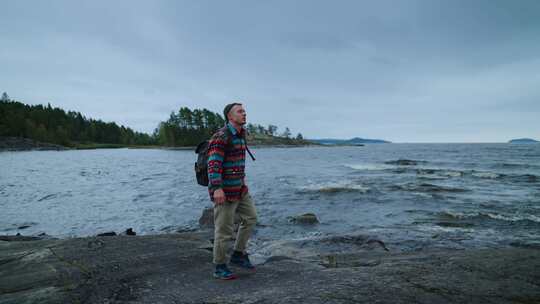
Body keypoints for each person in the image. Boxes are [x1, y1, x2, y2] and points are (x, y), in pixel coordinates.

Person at [207, 102, 258, 280]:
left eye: (244, 110)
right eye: (240, 111)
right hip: (225, 191)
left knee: (251, 218)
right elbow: (213, 165)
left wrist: (243, 182)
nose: (244, 114)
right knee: (224, 230)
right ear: (230, 116)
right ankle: (219, 266)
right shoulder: (221, 136)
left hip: (240, 189)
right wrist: (217, 188)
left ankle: (238, 254)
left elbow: (237, 162)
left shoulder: (240, 134)